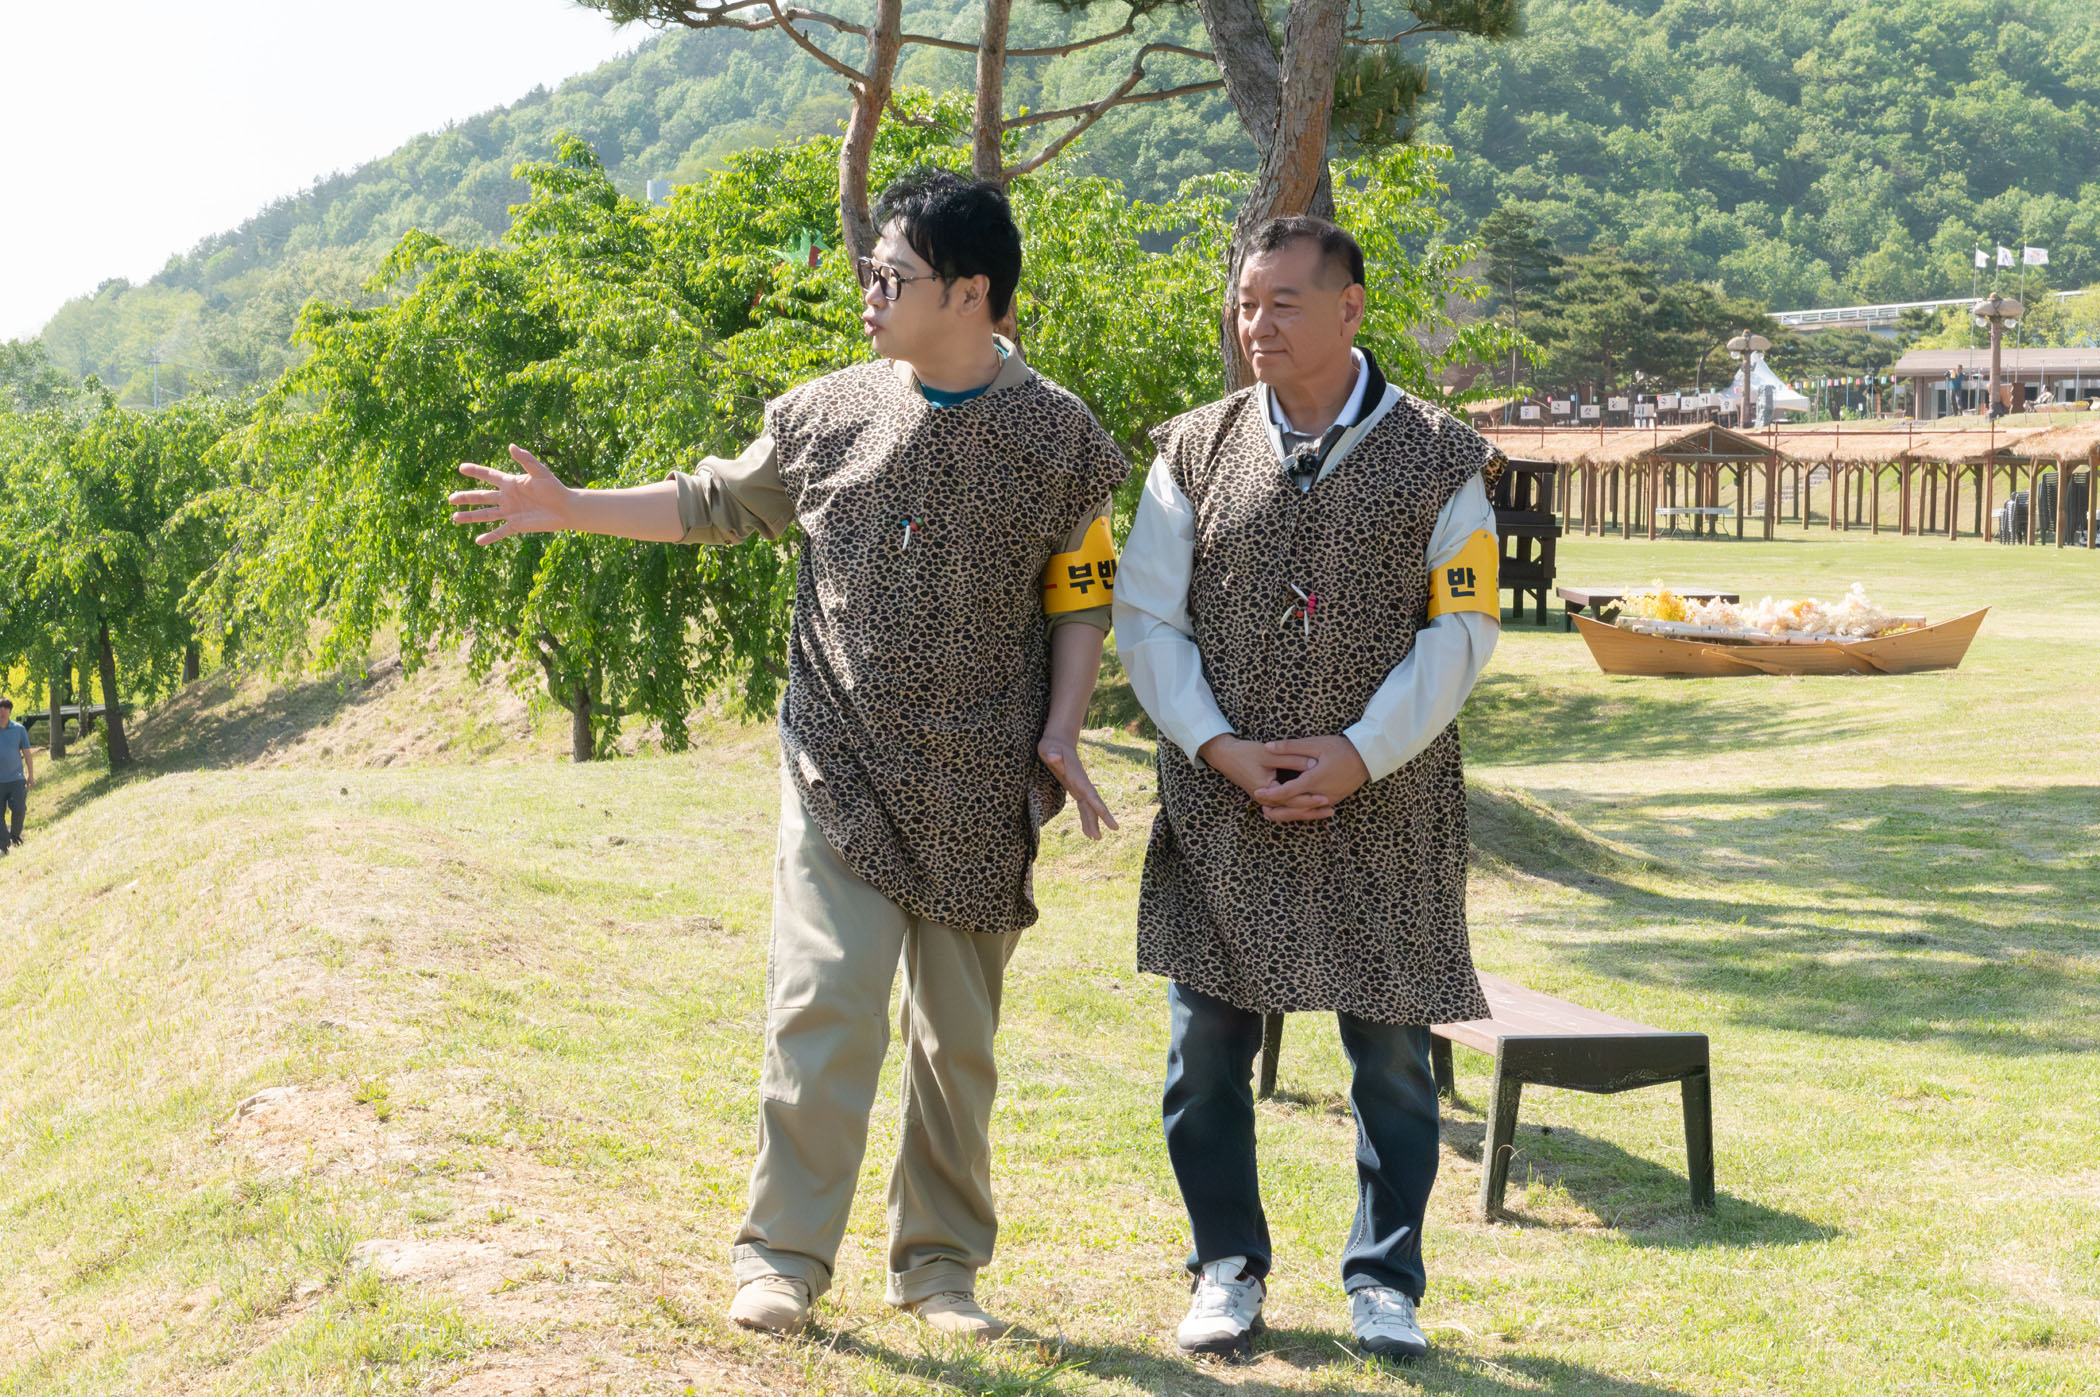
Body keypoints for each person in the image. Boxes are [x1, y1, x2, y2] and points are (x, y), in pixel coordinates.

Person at [447, 169, 1129, 1340]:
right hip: (838, 761)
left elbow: (1082, 591)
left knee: (956, 1044)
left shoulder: (1059, 436)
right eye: (871, 272)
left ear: (970, 293)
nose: (870, 293)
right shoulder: (829, 411)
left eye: (894, 277)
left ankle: (941, 1268)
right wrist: (574, 505)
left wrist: (1063, 729)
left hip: (981, 779)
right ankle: (781, 1258)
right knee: (825, 1005)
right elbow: (713, 500)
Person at [1113, 216, 1503, 1363]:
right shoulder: (1192, 451)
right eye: (1246, 302)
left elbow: (1462, 628)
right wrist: (1220, 746)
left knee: (1393, 1061)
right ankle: (1225, 1264)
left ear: (1351, 307)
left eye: (1283, 301)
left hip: (1385, 805)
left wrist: (1360, 750)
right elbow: (1147, 614)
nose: (1258, 324)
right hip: (1225, 804)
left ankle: (1385, 1279)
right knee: (1204, 1053)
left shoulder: (1441, 455)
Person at [0, 699, 33, 854]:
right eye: (0, 708)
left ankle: (14, 836)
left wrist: (31, 775)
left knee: (19, 809)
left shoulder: (19, 729)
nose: (2, 711)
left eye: (6, 708)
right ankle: (4, 844)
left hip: (16, 779)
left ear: (10, 711)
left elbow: (27, 753)